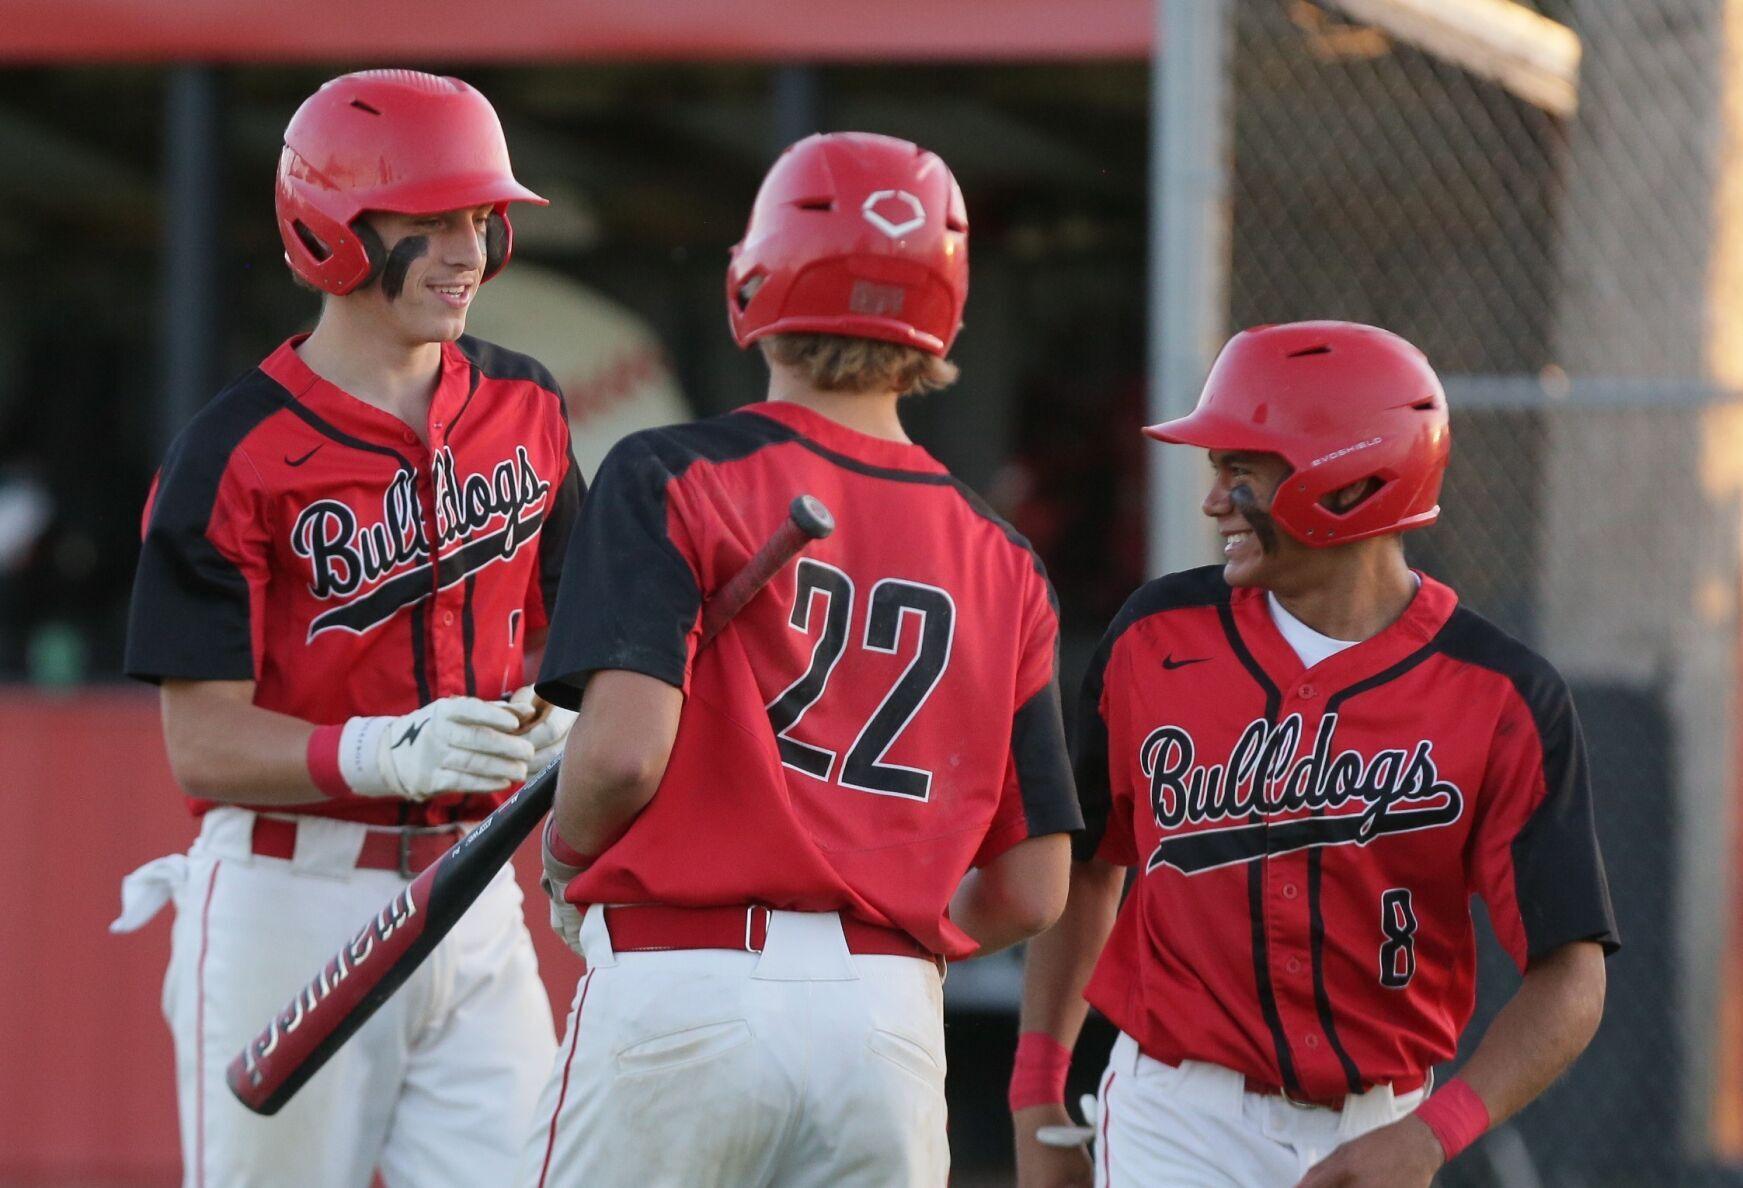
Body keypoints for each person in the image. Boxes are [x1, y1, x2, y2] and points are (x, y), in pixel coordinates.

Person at [520, 132, 1082, 1188]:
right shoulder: (1006, 562)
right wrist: (886, 945)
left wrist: (563, 854)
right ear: (942, 313)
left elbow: (620, 762)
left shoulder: (668, 471)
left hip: (684, 983)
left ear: (753, 281)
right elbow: (1031, 888)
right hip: (887, 1028)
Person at [1010, 321, 1618, 1188]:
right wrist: (1039, 1090)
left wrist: (1432, 1135)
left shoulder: (1501, 695)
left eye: (1240, 472)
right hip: (1175, 1115)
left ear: (1349, 483)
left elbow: (1571, 979)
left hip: (1383, 1124)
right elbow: (1087, 869)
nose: (1213, 500)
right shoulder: (1153, 638)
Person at [112, 70, 583, 1187]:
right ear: (332, 229)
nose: (469, 250)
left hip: (475, 896)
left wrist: (565, 713)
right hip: (292, 896)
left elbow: (584, 635)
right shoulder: (232, 454)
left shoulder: (529, 406)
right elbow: (202, 744)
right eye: (432, 220)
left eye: (482, 218)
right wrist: (380, 747)